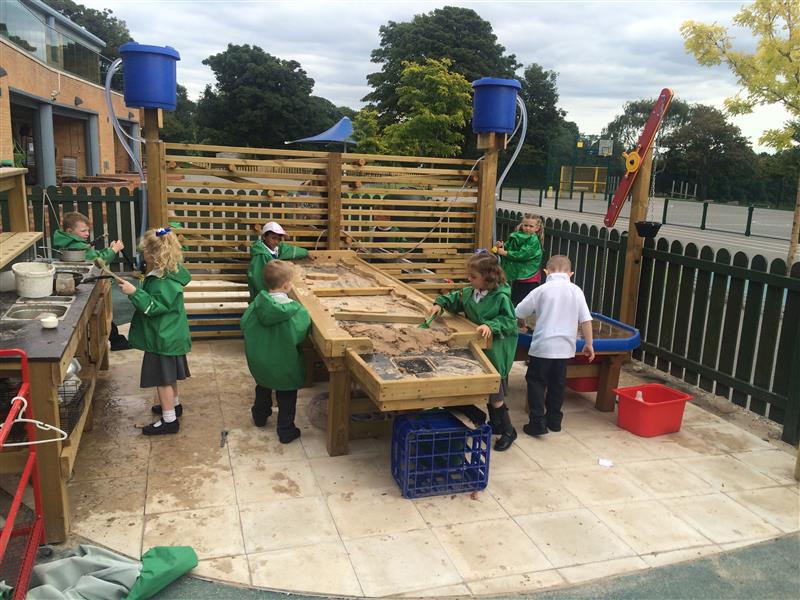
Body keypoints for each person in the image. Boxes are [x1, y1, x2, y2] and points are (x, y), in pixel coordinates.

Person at [428, 253, 518, 451]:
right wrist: (439, 303)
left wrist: (491, 325)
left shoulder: (500, 297)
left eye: (473, 276)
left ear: (488, 277)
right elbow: (455, 299)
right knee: (486, 389)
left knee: (496, 393)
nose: (469, 279)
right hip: (478, 347)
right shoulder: (471, 292)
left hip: (496, 349)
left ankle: (509, 431)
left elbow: (510, 322)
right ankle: (495, 424)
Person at [118, 227, 192, 435]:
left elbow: (154, 307)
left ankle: (169, 420)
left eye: (144, 251)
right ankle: (174, 406)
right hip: (170, 334)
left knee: (162, 379)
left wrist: (134, 293)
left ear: (152, 254)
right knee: (169, 377)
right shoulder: (168, 272)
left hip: (163, 337)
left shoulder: (163, 281)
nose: (143, 254)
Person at [515, 255, 595, 436]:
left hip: (542, 346)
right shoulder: (576, 291)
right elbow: (586, 319)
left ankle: (537, 422)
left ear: (546, 272)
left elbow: (519, 310)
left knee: (536, 382)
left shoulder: (542, 290)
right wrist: (589, 344)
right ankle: (555, 421)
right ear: (570, 273)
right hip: (565, 348)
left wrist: (520, 321)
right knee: (557, 384)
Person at [241, 260, 311, 444]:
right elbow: (302, 333)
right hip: (285, 363)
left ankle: (260, 416)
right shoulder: (297, 311)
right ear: (288, 285)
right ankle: (286, 430)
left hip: (261, 361)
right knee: (287, 395)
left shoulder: (256, 305)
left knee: (263, 387)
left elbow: (244, 324)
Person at [54, 211, 130, 350]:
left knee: (101, 314)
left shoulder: (67, 240)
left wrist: (109, 249)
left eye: (88, 230)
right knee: (101, 312)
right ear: (70, 231)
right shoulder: (77, 245)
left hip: (76, 281)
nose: (87, 233)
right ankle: (115, 341)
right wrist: (114, 250)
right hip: (85, 284)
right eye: (83, 230)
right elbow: (99, 261)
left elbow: (93, 255)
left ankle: (116, 339)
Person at [247, 221, 309, 300]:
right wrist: (270, 298)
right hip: (263, 297)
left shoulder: (274, 248)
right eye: (273, 238)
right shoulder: (261, 255)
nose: (276, 242)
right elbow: (259, 280)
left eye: (279, 239)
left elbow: (287, 249)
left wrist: (306, 253)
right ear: (264, 237)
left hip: (271, 293)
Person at [495, 213, 544, 306]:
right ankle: (517, 318)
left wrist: (505, 253)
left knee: (523, 302)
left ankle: (520, 318)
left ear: (537, 228)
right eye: (525, 225)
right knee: (516, 300)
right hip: (519, 276)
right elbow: (510, 246)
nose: (528, 228)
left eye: (531, 226)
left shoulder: (533, 240)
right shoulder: (518, 236)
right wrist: (502, 246)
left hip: (529, 278)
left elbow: (523, 254)